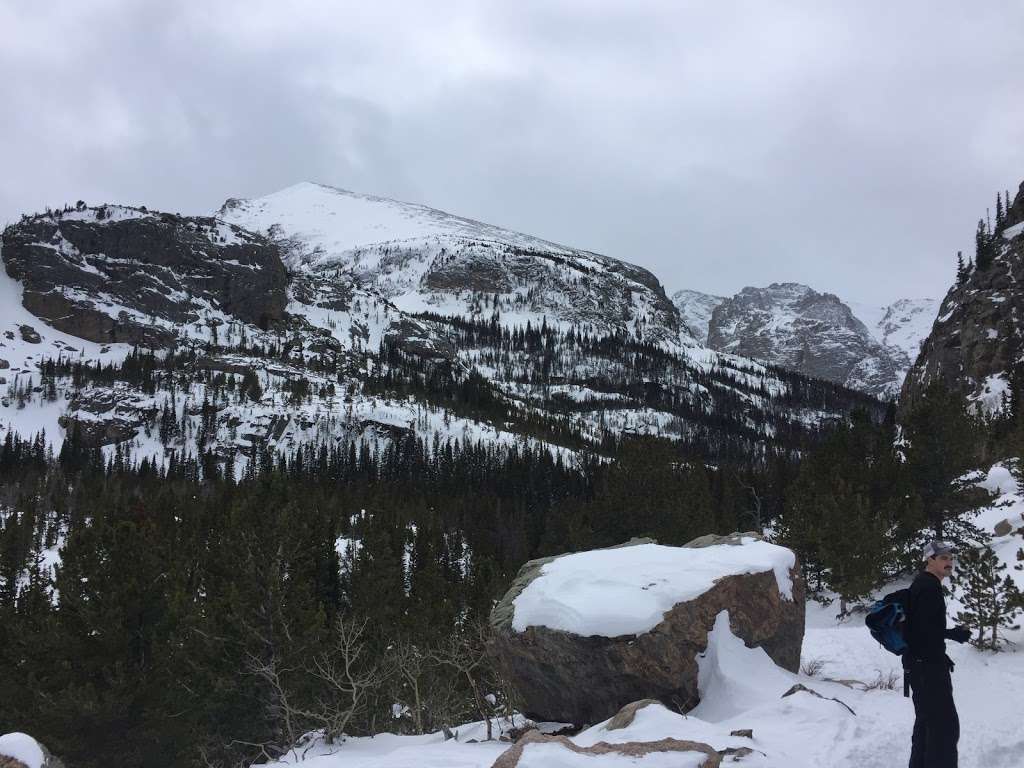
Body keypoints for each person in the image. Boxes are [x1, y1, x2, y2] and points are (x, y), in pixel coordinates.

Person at [905, 540, 971, 768]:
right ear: (929, 559)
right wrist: (953, 634)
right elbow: (924, 631)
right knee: (944, 728)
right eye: (943, 558)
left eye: (950, 558)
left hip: (921, 666)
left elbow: (921, 630)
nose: (949, 562)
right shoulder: (928, 587)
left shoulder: (922, 584)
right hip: (927, 669)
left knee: (927, 725)